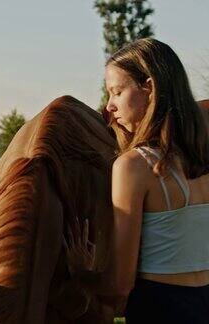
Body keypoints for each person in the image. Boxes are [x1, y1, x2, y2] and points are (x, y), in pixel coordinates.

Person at [64, 38, 209, 323]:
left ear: (150, 87)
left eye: (117, 92)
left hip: (159, 309)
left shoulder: (134, 166)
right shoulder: (201, 158)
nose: (110, 107)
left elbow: (121, 286)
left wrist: (85, 272)